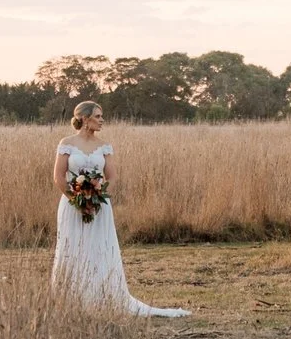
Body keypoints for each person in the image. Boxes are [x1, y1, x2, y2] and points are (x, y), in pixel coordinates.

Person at [50, 101, 189, 317]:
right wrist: (76, 200)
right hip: (71, 205)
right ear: (85, 119)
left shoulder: (104, 146)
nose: (102, 120)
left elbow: (112, 177)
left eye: (101, 116)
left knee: (99, 247)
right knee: (73, 247)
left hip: (99, 206)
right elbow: (58, 177)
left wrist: (96, 198)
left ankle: (102, 295)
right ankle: (72, 298)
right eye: (98, 116)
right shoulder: (66, 143)